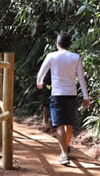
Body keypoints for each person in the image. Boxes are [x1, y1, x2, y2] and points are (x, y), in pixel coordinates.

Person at [36, 33, 90, 164]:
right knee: (69, 124)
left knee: (59, 124)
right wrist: (85, 96)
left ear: (57, 43)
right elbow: (81, 78)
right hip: (71, 94)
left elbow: (41, 73)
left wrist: (40, 82)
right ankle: (65, 148)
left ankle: (64, 153)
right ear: (70, 44)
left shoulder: (51, 56)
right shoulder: (76, 57)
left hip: (57, 95)